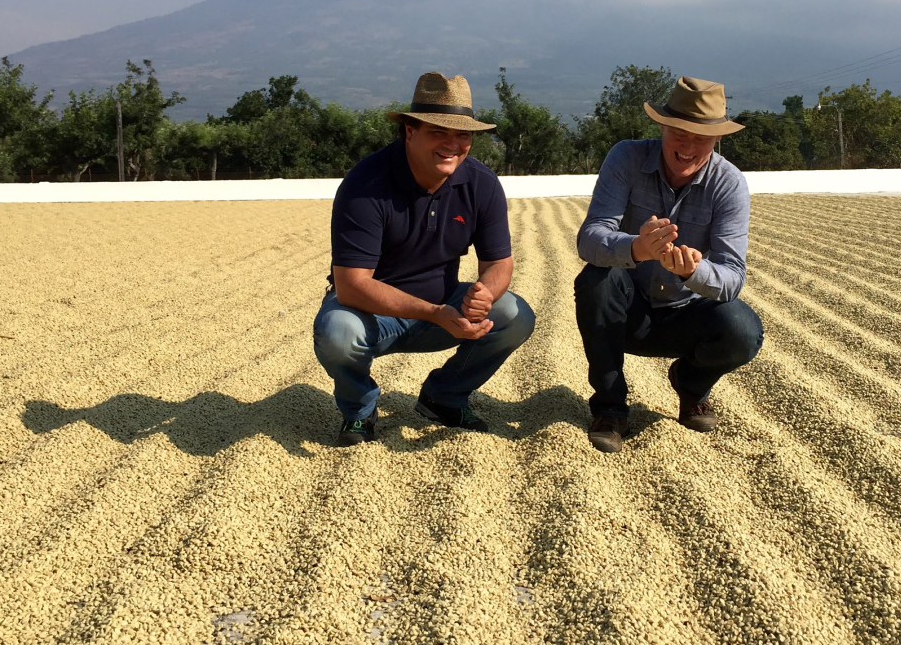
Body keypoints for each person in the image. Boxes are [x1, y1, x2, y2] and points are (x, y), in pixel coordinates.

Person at [313, 72, 536, 446]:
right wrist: (433, 313)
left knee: (515, 315)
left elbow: (500, 263)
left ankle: (443, 397)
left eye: (463, 135)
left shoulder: (481, 183)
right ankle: (360, 410)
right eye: (438, 132)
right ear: (409, 132)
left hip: (443, 306)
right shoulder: (366, 184)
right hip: (371, 312)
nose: (453, 145)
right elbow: (352, 286)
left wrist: (485, 292)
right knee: (338, 332)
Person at [574, 76, 764, 452]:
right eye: (679, 131)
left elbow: (732, 278)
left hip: (686, 312)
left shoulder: (729, 184)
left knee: (743, 329)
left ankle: (690, 386)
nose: (688, 145)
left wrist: (694, 271)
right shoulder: (626, 157)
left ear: (718, 139)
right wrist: (638, 248)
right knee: (596, 280)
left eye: (701, 137)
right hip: (627, 312)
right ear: (662, 126)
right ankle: (610, 407)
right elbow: (590, 238)